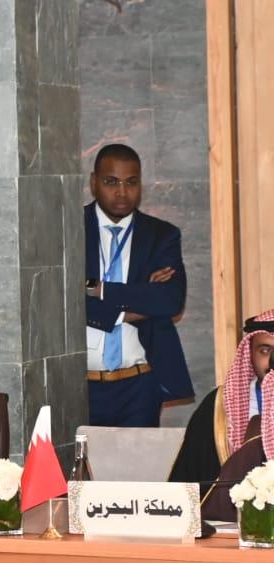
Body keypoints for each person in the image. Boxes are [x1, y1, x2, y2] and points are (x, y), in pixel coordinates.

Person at [84, 144, 192, 427]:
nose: (122, 192)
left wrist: (98, 289)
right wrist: (140, 299)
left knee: (139, 459)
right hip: (79, 385)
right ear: (94, 182)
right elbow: (67, 300)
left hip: (140, 385)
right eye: (111, 182)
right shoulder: (70, 227)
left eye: (131, 182)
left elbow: (170, 301)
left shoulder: (161, 235)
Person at [171, 311, 274, 522]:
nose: (272, 362)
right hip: (228, 524)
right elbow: (190, 477)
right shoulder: (218, 405)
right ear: (250, 354)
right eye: (265, 350)